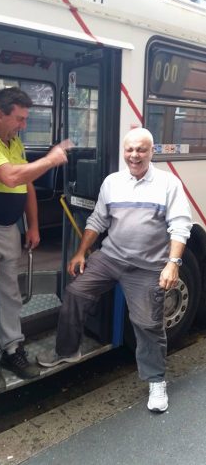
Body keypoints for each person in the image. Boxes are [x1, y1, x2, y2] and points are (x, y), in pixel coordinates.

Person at [37, 127, 192, 413]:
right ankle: (67, 351)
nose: (135, 155)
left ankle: (156, 380)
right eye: (130, 149)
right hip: (111, 257)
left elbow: (181, 225)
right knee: (76, 292)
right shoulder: (112, 182)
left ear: (151, 152)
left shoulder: (168, 184)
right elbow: (98, 220)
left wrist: (173, 264)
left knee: (147, 324)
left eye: (141, 150)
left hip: (148, 266)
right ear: (124, 152)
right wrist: (81, 252)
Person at [0, 86, 71, 391]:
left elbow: (25, 185)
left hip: (9, 228)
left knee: (10, 294)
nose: (23, 126)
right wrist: (52, 159)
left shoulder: (13, 141)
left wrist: (33, 226)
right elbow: (11, 177)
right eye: (20, 119)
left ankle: (12, 350)